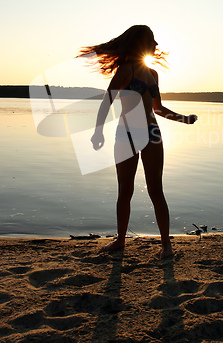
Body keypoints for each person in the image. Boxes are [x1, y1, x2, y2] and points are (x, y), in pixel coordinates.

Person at [78, 25, 197, 258]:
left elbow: (158, 109)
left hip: (152, 134)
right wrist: (97, 132)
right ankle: (121, 240)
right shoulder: (125, 70)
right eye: (152, 40)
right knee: (125, 191)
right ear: (141, 44)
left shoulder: (153, 74)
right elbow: (107, 102)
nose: (156, 45)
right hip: (127, 134)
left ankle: (166, 245)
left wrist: (184, 119)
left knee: (156, 190)